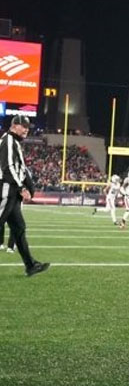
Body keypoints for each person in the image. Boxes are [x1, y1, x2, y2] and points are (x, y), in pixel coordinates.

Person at [0, 116, 50, 276]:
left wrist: (27, 186)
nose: (26, 129)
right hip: (6, 187)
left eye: (28, 127)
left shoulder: (13, 142)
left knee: (19, 227)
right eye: (23, 126)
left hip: (12, 190)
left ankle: (30, 265)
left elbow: (19, 168)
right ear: (14, 126)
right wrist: (22, 187)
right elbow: (8, 167)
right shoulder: (8, 141)